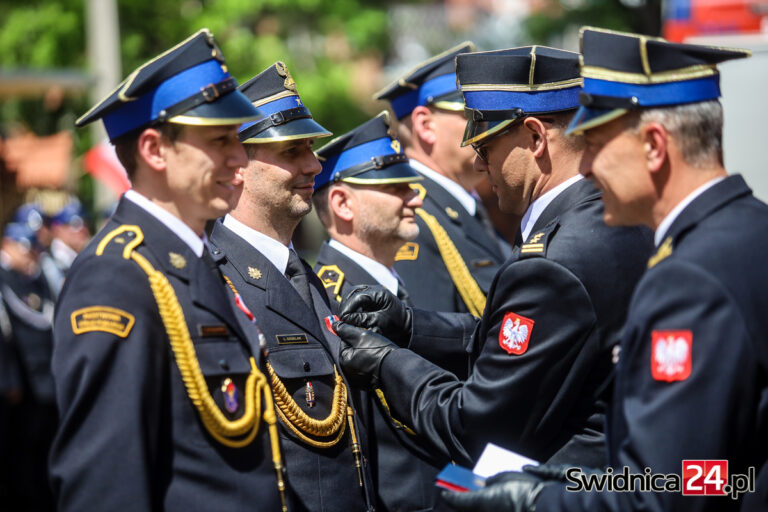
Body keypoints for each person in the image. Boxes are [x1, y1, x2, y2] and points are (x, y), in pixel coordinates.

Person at [440, 27, 763, 512]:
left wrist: (537, 500)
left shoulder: (688, 281)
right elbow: (717, 472)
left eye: (595, 141)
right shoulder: (752, 229)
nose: (585, 165)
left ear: (654, 145)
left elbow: (667, 492)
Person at [335, 46, 653, 469]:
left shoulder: (554, 260)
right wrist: (411, 327)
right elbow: (523, 341)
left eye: (486, 147)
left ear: (537, 138)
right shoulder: (612, 216)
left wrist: (388, 364)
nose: (481, 166)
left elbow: (477, 428)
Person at [49, 29, 290, 511]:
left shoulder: (195, 255)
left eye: (239, 141)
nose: (240, 160)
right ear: (155, 150)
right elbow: (106, 482)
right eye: (220, 141)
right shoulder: (117, 276)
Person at [206, 61, 376, 511]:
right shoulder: (217, 280)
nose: (313, 164)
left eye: (311, 148)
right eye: (291, 151)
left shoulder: (303, 273)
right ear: (239, 165)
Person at [312, 111, 455, 511]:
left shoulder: (392, 287)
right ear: (342, 203)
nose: (417, 196)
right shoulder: (335, 299)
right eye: (396, 187)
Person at [375, 43, 510, 318]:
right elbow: (432, 343)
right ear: (425, 126)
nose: (488, 129)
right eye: (475, 117)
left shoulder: (469, 205)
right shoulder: (412, 217)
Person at [0, 211, 56, 511]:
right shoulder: (5, 279)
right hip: (20, 383)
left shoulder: (36, 280)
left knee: (38, 453)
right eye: (25, 247)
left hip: (42, 381)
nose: (31, 253)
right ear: (8, 244)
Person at [39, 198, 91, 298]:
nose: (82, 229)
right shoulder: (47, 261)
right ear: (57, 229)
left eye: (85, 223)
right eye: (75, 225)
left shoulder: (84, 255)